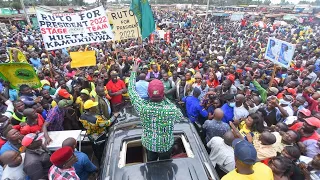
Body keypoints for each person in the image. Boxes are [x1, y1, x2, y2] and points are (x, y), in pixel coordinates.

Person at [128, 61, 183, 162]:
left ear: (148, 94)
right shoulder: (171, 110)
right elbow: (180, 116)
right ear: (163, 94)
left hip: (149, 144)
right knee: (165, 163)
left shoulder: (143, 107)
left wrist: (133, 73)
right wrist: (165, 98)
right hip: (166, 145)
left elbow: (131, 91)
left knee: (151, 162)